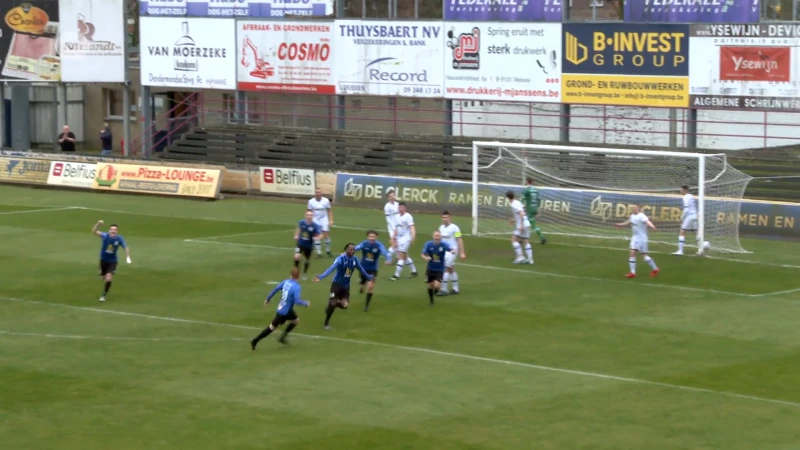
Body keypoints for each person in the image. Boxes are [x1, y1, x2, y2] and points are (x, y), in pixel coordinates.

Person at [314, 243, 372, 329]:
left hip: (346, 286)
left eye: (354, 249)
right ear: (346, 250)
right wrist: (321, 276)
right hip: (336, 285)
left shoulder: (355, 260)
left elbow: (361, 269)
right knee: (333, 303)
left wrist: (368, 277)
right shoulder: (340, 259)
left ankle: (331, 305)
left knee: (344, 305)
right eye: (351, 249)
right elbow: (332, 268)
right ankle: (326, 323)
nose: (353, 251)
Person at [250, 267, 310, 349]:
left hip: (282, 308)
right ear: (299, 276)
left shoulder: (285, 282)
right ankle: (255, 340)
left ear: (290, 275)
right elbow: (297, 301)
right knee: (271, 328)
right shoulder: (296, 287)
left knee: (296, 320)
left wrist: (268, 299)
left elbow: (275, 290)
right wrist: (305, 303)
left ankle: (282, 337)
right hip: (285, 312)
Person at [615, 203, 660, 278]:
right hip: (635, 238)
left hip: (641, 238)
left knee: (638, 254)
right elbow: (628, 222)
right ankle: (635, 272)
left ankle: (652, 269)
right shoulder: (632, 216)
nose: (633, 209)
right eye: (633, 207)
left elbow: (647, 221)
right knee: (638, 254)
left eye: (635, 207)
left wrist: (652, 226)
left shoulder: (641, 215)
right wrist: (620, 225)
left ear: (638, 208)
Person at [92, 220, 131, 302]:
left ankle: (104, 295)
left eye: (115, 229)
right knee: (102, 277)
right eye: (111, 229)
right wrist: (98, 224)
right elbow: (94, 231)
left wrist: (128, 257)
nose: (113, 230)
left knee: (108, 278)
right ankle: (102, 273)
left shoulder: (119, 239)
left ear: (117, 231)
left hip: (112, 261)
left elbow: (126, 247)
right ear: (109, 230)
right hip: (103, 260)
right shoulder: (105, 236)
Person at [355, 230, 390, 312]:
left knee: (370, 286)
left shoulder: (379, 245)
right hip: (363, 267)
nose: (372, 238)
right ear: (367, 237)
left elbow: (385, 252)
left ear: (376, 237)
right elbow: (356, 248)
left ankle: (366, 306)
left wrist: (388, 259)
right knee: (363, 284)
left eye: (373, 236)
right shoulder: (364, 244)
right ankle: (362, 287)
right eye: (370, 236)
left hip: (373, 269)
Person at [421, 231, 455, 306]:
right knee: (430, 286)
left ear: (441, 237)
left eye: (439, 236)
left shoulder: (443, 245)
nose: (437, 238)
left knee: (437, 285)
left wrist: (453, 251)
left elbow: (450, 249)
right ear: (433, 237)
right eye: (436, 236)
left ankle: (436, 291)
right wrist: (426, 258)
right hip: (430, 268)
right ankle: (431, 301)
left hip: (439, 269)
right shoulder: (428, 244)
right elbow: (422, 254)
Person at [438, 211, 466, 295]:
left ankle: (444, 289)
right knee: (451, 269)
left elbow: (459, 239)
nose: (445, 219)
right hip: (444, 252)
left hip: (452, 251)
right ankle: (455, 288)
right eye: (443, 217)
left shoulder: (455, 228)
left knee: (445, 269)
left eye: (446, 217)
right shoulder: (441, 228)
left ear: (450, 217)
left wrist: (462, 252)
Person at [390, 202, 418, 280]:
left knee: (400, 256)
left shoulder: (408, 216)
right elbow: (396, 228)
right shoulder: (396, 217)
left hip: (407, 238)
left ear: (405, 208)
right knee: (405, 256)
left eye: (402, 207)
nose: (400, 209)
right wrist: (393, 237)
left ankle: (396, 275)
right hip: (399, 239)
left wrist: (413, 236)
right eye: (399, 207)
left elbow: (412, 227)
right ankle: (414, 271)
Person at [506, 191, 533, 264]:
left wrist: (521, 225)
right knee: (526, 240)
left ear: (508, 198)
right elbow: (522, 213)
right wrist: (513, 220)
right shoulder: (518, 202)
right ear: (514, 196)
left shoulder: (513, 204)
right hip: (527, 223)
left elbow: (521, 214)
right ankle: (530, 260)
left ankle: (520, 257)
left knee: (514, 240)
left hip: (522, 225)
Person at [294, 210, 321, 279]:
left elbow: (319, 235)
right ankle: (296, 272)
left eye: (311, 215)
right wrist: (296, 235)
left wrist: (316, 238)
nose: (309, 216)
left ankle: (305, 273)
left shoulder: (315, 226)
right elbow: (298, 229)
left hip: (308, 246)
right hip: (300, 243)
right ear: (305, 215)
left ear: (313, 216)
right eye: (308, 215)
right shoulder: (301, 222)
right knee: (296, 257)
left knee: (307, 260)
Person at [307, 188, 333, 258]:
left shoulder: (326, 201)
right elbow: (309, 211)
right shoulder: (311, 201)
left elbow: (329, 210)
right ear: (315, 194)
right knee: (316, 235)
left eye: (319, 192)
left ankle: (328, 251)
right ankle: (319, 253)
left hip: (324, 218)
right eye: (317, 192)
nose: (318, 193)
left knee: (326, 235)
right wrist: (309, 220)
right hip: (315, 219)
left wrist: (331, 220)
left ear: (321, 193)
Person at [673, 185, 698, 256]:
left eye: (681, 189)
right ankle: (703, 246)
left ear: (685, 190)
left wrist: (682, 218)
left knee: (682, 232)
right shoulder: (691, 196)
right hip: (695, 216)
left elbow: (686, 209)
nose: (680, 191)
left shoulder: (685, 197)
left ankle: (680, 251)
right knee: (696, 233)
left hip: (689, 216)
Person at [523, 177, 547, 245]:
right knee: (532, 224)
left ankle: (522, 239)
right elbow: (539, 200)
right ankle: (542, 238)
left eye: (525, 181)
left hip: (530, 209)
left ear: (527, 182)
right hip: (534, 208)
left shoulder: (526, 190)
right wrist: (538, 209)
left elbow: (522, 199)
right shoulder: (536, 190)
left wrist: (521, 208)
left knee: (524, 222)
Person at [383, 189, 400, 264]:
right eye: (390, 196)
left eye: (393, 195)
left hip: (399, 227)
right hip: (392, 227)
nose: (392, 197)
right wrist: (393, 228)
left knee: (397, 243)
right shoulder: (387, 206)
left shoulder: (397, 204)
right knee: (394, 242)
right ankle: (389, 258)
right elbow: (388, 218)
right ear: (388, 198)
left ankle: (398, 258)